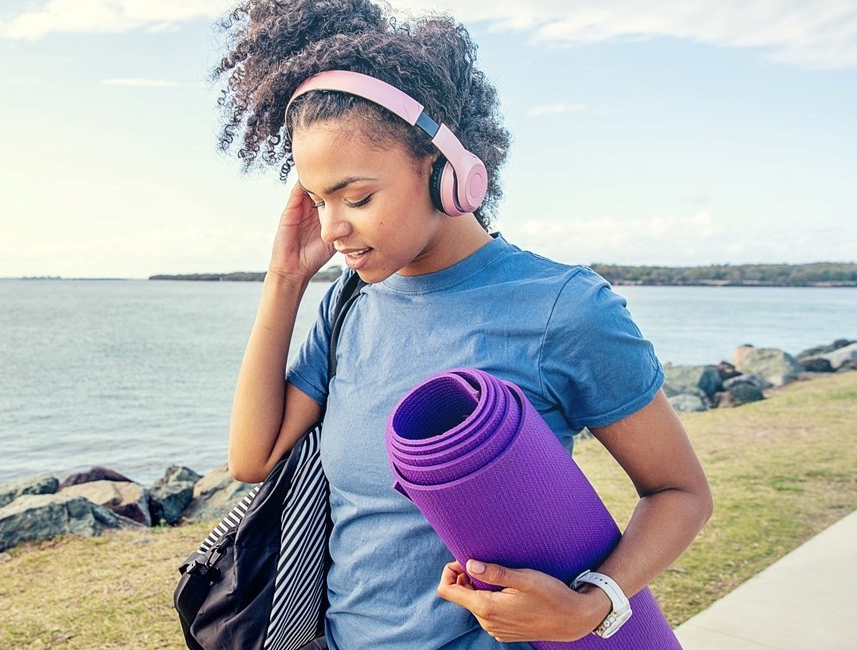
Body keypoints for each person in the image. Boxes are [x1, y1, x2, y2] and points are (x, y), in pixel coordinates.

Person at [218, 1, 713, 648]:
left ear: (447, 172)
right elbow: (251, 458)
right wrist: (285, 280)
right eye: (317, 200)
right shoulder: (348, 307)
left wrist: (593, 605)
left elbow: (679, 492)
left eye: (358, 197)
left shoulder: (563, 308)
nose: (333, 227)